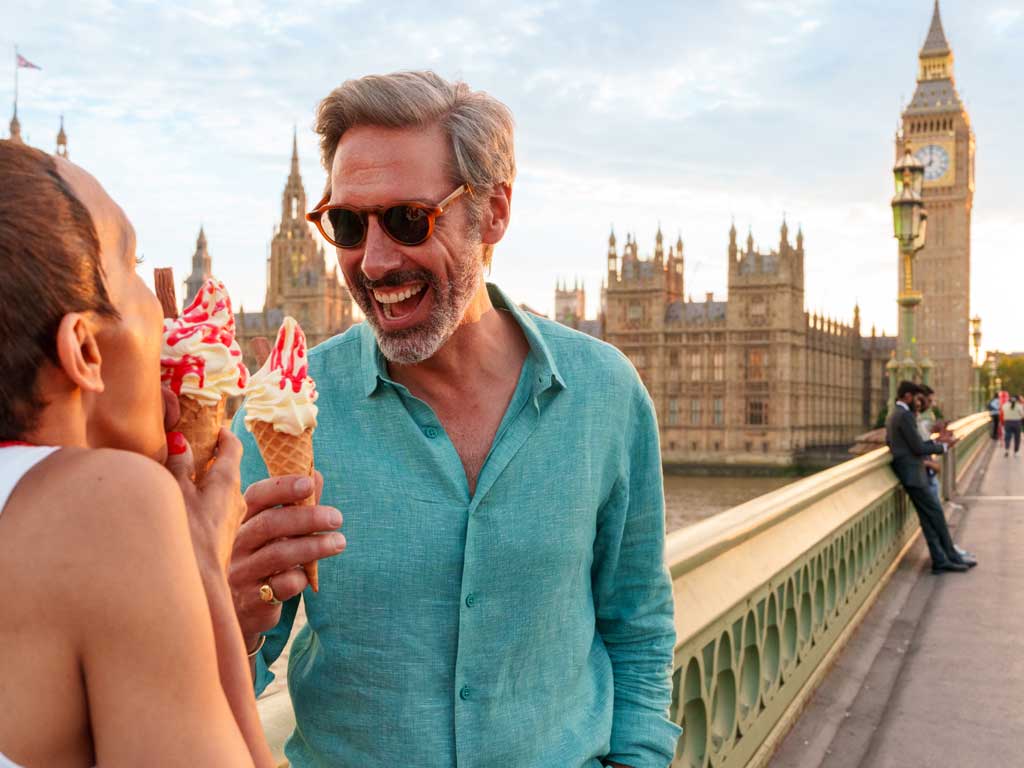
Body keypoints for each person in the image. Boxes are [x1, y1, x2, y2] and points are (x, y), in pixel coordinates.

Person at [231, 71, 681, 768]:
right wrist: (234, 616)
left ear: (493, 212)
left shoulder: (604, 395)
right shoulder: (282, 409)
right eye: (348, 224)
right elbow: (224, 677)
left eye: (410, 220)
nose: (375, 261)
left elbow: (639, 622)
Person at [0, 141, 289, 766]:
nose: (165, 311)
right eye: (132, 264)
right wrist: (203, 572)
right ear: (84, 350)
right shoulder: (112, 502)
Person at [887, 381, 974, 575]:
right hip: (914, 475)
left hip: (909, 474)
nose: (919, 404)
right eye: (917, 399)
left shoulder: (894, 415)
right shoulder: (904, 416)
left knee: (928, 520)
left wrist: (935, 442)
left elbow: (905, 444)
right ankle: (951, 556)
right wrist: (942, 447)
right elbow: (918, 448)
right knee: (936, 517)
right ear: (907, 396)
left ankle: (941, 559)